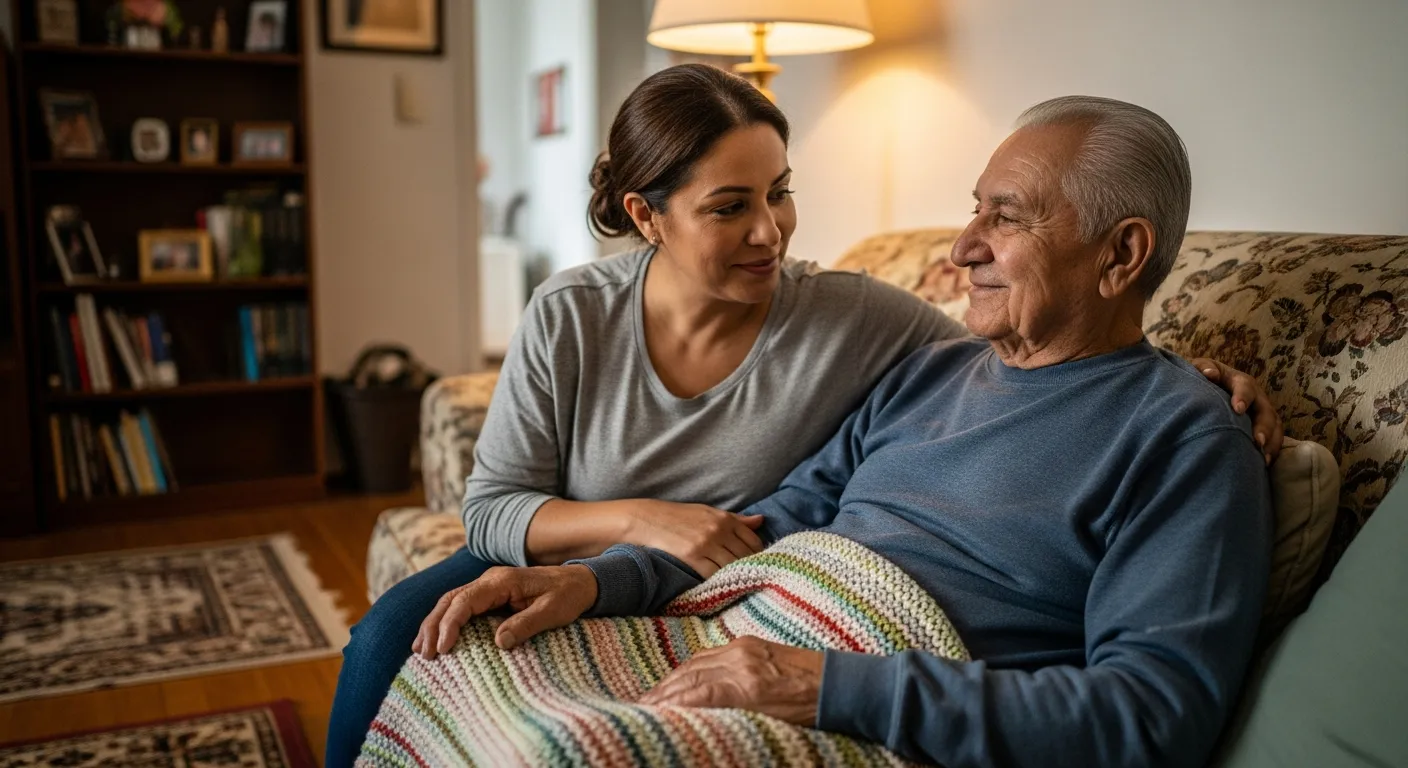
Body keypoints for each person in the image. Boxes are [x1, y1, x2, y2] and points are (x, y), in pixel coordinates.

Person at [325, 66, 1280, 766]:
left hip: (835, 680)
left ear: (1120, 257)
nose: (962, 247)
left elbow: (1152, 719)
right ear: (647, 216)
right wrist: (596, 578)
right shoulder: (934, 374)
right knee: (433, 665)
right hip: (689, 596)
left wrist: (1181, 384)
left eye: (1007, 217)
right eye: (729, 206)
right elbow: (773, 522)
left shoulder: (1180, 440)